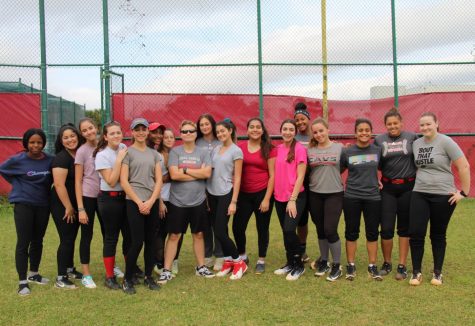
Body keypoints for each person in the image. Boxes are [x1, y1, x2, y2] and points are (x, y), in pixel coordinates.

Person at [408, 112, 470, 286]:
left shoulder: (446, 141)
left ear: (436, 124)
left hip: (443, 196)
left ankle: (437, 273)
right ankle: (416, 272)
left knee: (437, 234)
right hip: (419, 192)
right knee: (416, 233)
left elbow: (464, 165)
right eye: (422, 125)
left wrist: (463, 193)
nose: (425, 128)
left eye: (428, 124)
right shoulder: (416, 143)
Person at [158, 120, 215, 284]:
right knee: (174, 235)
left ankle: (201, 267)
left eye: (191, 131)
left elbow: (207, 174)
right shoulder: (175, 152)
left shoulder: (203, 152)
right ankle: (166, 270)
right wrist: (197, 171)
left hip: (198, 201)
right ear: (180, 134)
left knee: (198, 234)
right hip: (177, 202)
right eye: (184, 131)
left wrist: (184, 169)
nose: (188, 134)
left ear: (196, 133)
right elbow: (174, 175)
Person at [0, 129, 53, 296]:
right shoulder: (17, 160)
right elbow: (3, 170)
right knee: (23, 242)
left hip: (43, 205)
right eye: (32, 142)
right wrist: (18, 183)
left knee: (38, 240)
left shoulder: (50, 160)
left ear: (43, 143)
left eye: (39, 142)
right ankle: (22, 282)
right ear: (26, 143)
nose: (35, 145)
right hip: (24, 204)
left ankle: (34, 274)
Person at [374, 108, 418, 280]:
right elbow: (372, 162)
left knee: (404, 228)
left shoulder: (412, 137)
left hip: (408, 187)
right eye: (389, 124)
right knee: (385, 228)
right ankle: (387, 262)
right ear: (385, 125)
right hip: (388, 188)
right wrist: (374, 178)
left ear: (402, 123)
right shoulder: (379, 140)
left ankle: (402, 265)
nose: (392, 126)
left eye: (395, 123)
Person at [120, 118, 162, 294]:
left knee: (150, 242)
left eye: (143, 129)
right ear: (131, 132)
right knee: (136, 241)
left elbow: (159, 180)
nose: (140, 132)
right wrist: (139, 202)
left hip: (151, 201)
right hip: (134, 203)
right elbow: (123, 181)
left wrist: (151, 201)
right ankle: (127, 279)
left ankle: (148, 277)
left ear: (147, 132)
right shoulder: (127, 153)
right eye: (137, 129)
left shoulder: (154, 154)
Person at [341, 118, 383, 281]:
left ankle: (372, 266)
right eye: (360, 130)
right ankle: (350, 265)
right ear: (355, 133)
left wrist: (378, 181)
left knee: (372, 232)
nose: (364, 133)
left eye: (367, 130)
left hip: (373, 197)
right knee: (351, 232)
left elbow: (384, 168)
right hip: (352, 196)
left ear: (371, 132)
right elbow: (339, 169)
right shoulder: (347, 152)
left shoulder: (378, 150)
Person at [232, 117, 275, 274]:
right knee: (237, 227)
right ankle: (242, 255)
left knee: (262, 228)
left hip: (262, 193)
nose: (255, 129)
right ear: (247, 130)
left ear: (262, 130)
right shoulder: (240, 148)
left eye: (258, 127)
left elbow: (273, 175)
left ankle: (261, 260)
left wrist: (266, 199)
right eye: (252, 127)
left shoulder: (269, 148)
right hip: (244, 194)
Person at [94, 121, 131, 290]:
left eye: (118, 132)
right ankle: (110, 277)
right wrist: (119, 159)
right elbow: (111, 180)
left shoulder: (123, 147)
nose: (116, 136)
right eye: (112, 133)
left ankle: (130, 271)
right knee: (111, 238)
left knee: (129, 236)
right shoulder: (102, 155)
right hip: (109, 200)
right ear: (105, 136)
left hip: (125, 198)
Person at [208, 119, 247, 280]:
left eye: (223, 131)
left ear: (230, 130)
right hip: (212, 193)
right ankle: (228, 261)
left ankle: (239, 261)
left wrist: (234, 201)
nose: (220, 134)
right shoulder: (216, 149)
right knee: (220, 230)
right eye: (218, 132)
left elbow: (237, 178)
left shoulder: (236, 151)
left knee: (219, 231)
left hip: (226, 194)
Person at [307, 118, 344, 281]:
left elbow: (347, 166)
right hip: (315, 193)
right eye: (315, 132)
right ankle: (324, 261)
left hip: (334, 193)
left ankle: (336, 265)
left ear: (328, 130)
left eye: (321, 130)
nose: (318, 134)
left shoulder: (340, 148)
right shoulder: (310, 150)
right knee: (320, 229)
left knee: (330, 229)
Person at [50, 124, 85, 289]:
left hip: (75, 204)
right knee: (66, 239)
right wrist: (68, 207)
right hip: (63, 205)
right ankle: (60, 277)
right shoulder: (61, 158)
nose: (70, 139)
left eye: (72, 136)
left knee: (71, 237)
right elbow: (59, 185)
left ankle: (70, 269)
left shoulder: (78, 154)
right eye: (66, 137)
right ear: (61, 141)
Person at [273, 119, 307, 281]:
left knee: (289, 229)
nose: (287, 132)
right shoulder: (277, 149)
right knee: (286, 232)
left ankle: (299, 265)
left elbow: (301, 175)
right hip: (279, 197)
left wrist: (292, 199)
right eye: (285, 129)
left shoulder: (299, 149)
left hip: (295, 197)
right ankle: (290, 262)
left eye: (291, 129)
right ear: (281, 131)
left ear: (295, 132)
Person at [74, 118, 104, 288]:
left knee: (109, 233)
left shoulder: (105, 145)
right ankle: (86, 274)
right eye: (84, 130)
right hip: (88, 197)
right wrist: (81, 208)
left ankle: (112, 267)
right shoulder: (82, 151)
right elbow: (78, 181)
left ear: (96, 127)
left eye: (90, 128)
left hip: (105, 196)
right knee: (87, 235)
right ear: (82, 133)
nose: (88, 132)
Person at [196, 113, 224, 270]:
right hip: (201, 187)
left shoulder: (221, 140)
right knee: (205, 223)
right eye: (201, 125)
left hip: (219, 187)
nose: (205, 127)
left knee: (218, 222)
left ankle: (220, 255)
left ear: (212, 125)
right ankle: (207, 255)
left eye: (207, 124)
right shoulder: (196, 142)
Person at [154, 128, 183, 276]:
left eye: (172, 137)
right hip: (164, 199)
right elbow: (156, 180)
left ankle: (174, 260)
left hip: (178, 199)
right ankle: (159, 263)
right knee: (162, 232)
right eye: (166, 137)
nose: (169, 139)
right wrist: (160, 201)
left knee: (178, 231)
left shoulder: (178, 153)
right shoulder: (158, 155)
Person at [293, 102, 311, 262]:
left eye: (302, 119)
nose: (300, 123)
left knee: (320, 220)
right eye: (297, 120)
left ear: (308, 119)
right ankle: (302, 249)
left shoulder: (317, 135)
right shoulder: (294, 139)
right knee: (302, 220)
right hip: (301, 184)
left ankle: (325, 253)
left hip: (317, 183)